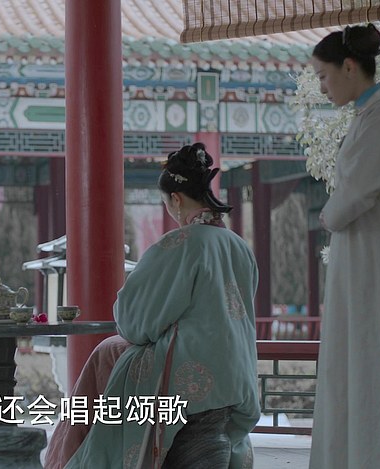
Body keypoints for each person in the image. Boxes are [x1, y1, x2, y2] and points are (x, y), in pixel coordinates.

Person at [45, 143, 260, 469]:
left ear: (176, 199)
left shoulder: (182, 244)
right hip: (237, 374)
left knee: (107, 352)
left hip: (190, 378)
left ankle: (73, 458)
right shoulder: (239, 246)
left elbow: (135, 322)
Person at [308, 24, 380, 469]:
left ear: (349, 67)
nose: (322, 86)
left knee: (375, 355)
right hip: (361, 257)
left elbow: (357, 192)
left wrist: (328, 215)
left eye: (323, 75)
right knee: (355, 357)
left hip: (375, 261)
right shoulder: (369, 117)